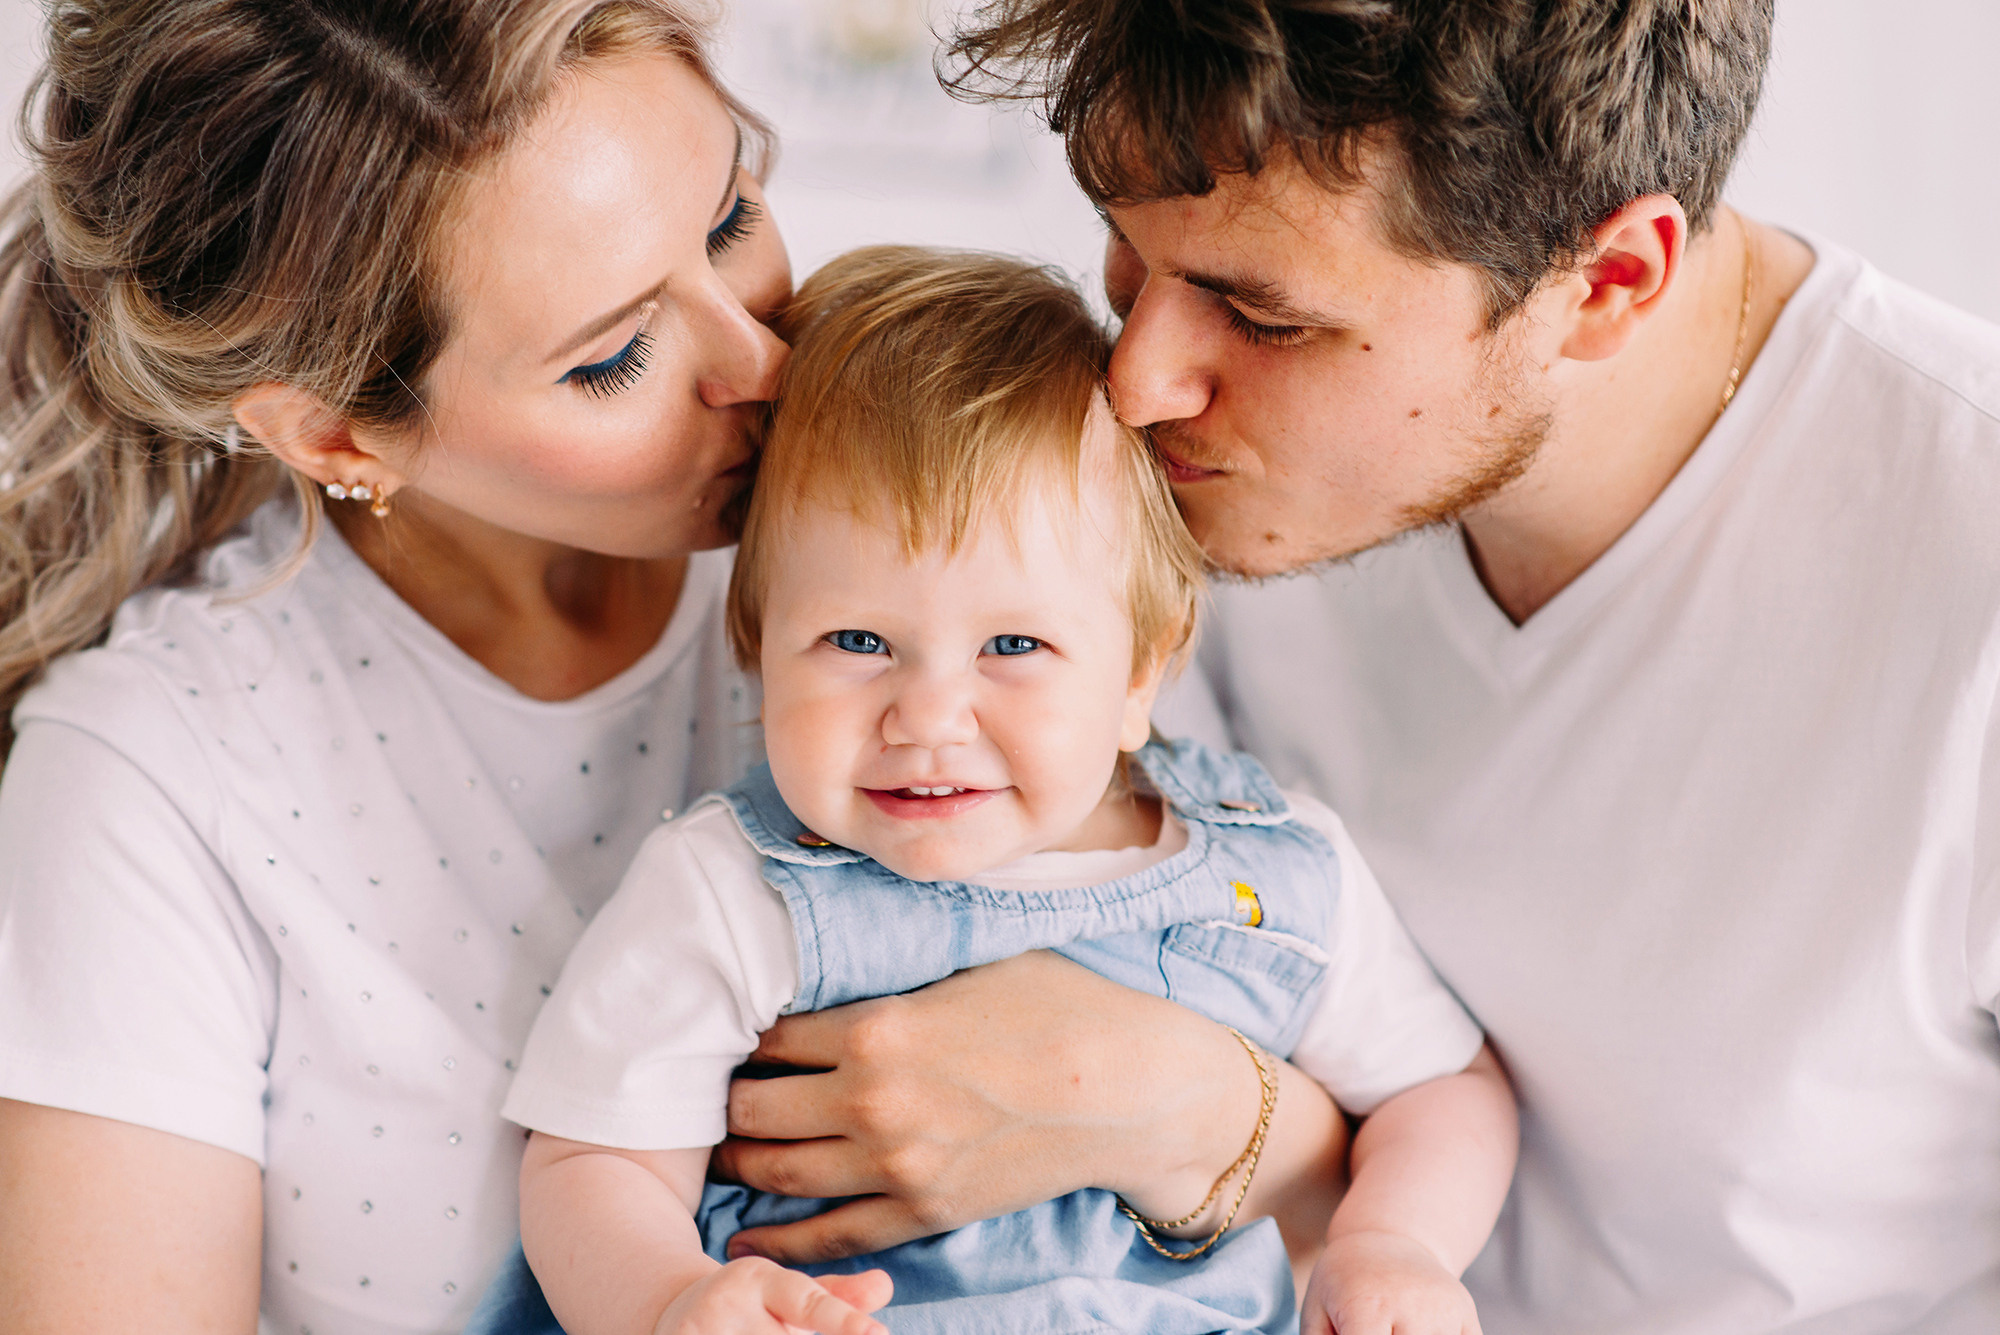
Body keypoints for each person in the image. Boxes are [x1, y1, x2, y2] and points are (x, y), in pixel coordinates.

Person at [0, 5, 1356, 1333]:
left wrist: (1163, 1096)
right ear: (342, 433)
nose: (764, 364)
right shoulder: (156, 781)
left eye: (728, 218)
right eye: (616, 356)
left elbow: (1340, 1144)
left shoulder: (983, 522)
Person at [932, 1, 2000, 1333]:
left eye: (1259, 317)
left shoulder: (1968, 581)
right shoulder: (1205, 488)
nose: (1139, 381)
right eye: (1127, 260)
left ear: (1607, 285)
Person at [493, 246, 1517, 1335]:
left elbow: (1443, 1093)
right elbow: (590, 1161)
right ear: (756, 649)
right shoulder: (733, 896)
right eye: (854, 640)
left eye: (1012, 644)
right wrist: (670, 1301)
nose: (927, 715)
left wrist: (1390, 1245)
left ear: (1138, 674)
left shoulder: (1278, 877)